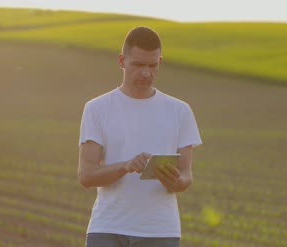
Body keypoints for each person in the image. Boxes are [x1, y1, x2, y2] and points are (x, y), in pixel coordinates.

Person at [78, 26, 202, 247]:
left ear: (160, 63)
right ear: (121, 61)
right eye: (138, 65)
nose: (146, 73)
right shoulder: (96, 109)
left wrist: (175, 181)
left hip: (160, 231)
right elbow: (86, 176)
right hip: (107, 229)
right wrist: (125, 166)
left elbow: (186, 176)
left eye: (152, 66)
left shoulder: (180, 111)